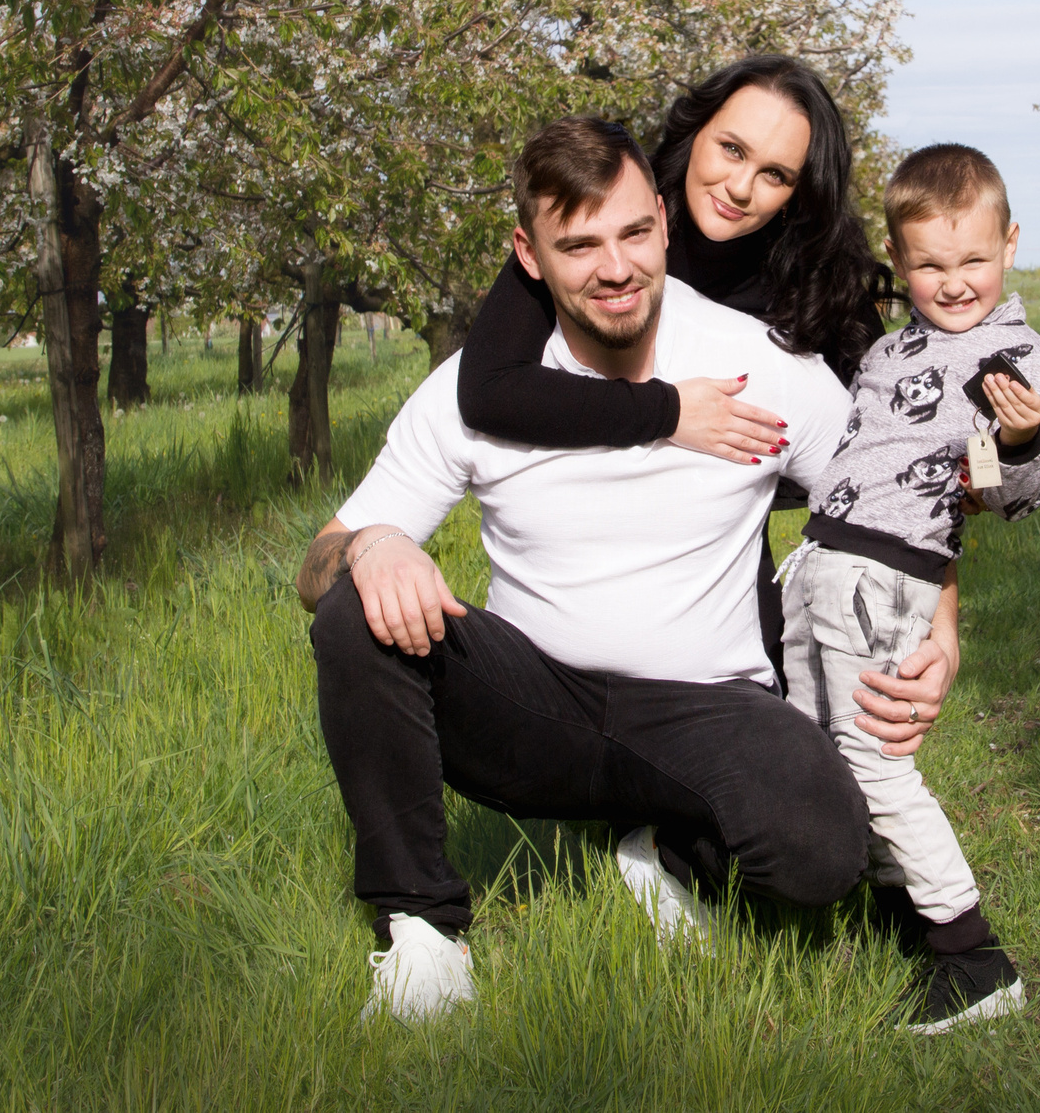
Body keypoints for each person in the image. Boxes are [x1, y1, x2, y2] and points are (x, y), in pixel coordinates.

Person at [297, 117, 870, 1023]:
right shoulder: (474, 390)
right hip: (537, 708)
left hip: (706, 704)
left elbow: (884, 502)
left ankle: (669, 852)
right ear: (528, 253)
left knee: (826, 852)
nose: (616, 268)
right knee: (350, 611)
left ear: (665, 225)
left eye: (635, 233)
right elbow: (318, 559)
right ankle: (423, 935)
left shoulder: (759, 364)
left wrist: (940, 620)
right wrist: (373, 544)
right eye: (580, 245)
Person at [453, 53, 953, 745]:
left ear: (800, 191)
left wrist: (943, 631)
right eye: (732, 149)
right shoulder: (611, 216)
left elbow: (893, 472)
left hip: (728, 519)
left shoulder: (820, 286)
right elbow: (487, 391)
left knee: (789, 722)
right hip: (580, 503)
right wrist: (672, 413)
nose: (741, 186)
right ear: (696, 132)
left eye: (775, 174)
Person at [777, 143, 1040, 1034]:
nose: (955, 280)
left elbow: (1012, 495)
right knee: (815, 741)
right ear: (900, 261)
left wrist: (1018, 443)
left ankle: (972, 954)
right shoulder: (895, 348)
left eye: (973, 259)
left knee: (874, 755)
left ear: (1009, 245)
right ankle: (898, 906)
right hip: (823, 557)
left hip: (885, 572)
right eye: (931, 264)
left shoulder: (1007, 354)